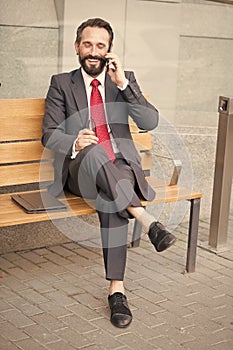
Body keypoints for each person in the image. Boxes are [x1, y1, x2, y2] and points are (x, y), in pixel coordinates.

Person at [42, 17, 176, 328]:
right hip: (79, 168)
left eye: (100, 46)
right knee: (93, 151)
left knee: (111, 194)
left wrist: (124, 86)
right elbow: (48, 133)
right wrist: (75, 140)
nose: (93, 51)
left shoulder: (123, 80)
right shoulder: (61, 83)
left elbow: (151, 121)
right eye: (87, 44)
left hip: (118, 170)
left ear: (108, 51)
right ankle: (146, 220)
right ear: (77, 47)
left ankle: (117, 292)